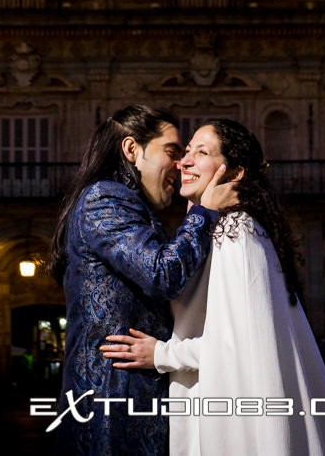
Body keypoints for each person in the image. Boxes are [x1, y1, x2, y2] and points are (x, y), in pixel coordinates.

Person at [103, 118, 325, 455]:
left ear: (233, 174)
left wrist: (161, 354)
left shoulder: (237, 232)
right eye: (186, 151)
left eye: (201, 152)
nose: (184, 161)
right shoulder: (215, 227)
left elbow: (242, 340)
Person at [50, 105, 238, 456]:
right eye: (172, 151)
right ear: (131, 150)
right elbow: (163, 275)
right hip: (112, 404)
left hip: (132, 401)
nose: (182, 164)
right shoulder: (104, 198)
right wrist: (204, 212)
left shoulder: (136, 209)